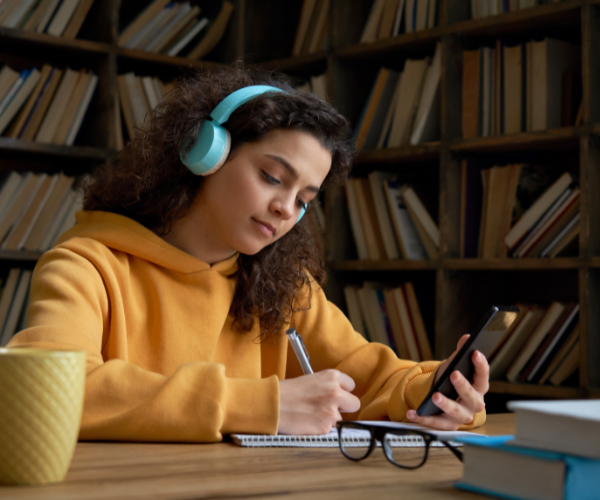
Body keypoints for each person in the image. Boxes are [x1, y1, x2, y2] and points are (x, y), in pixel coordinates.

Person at [8, 62, 487, 442]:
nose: (285, 209)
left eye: (304, 200)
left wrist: (442, 393)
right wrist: (262, 406)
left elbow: (375, 378)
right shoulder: (87, 266)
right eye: (272, 177)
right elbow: (47, 395)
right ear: (206, 153)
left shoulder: (285, 288)